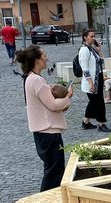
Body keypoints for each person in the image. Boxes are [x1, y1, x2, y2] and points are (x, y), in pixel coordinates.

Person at [16, 45, 73, 191]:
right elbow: (53, 105)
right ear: (37, 60)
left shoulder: (32, 78)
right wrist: (67, 97)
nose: (47, 58)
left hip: (44, 133)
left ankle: (50, 198)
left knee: (53, 171)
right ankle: (45, 199)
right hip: (48, 133)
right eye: (44, 55)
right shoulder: (36, 80)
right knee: (54, 173)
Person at [79, 29, 111, 132]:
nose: (93, 38)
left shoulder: (91, 49)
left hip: (98, 78)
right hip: (92, 81)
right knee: (98, 102)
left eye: (94, 36)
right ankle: (101, 124)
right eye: (91, 36)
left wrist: (99, 50)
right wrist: (90, 83)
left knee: (94, 102)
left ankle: (85, 122)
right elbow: (84, 68)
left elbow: (101, 61)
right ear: (85, 37)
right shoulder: (84, 50)